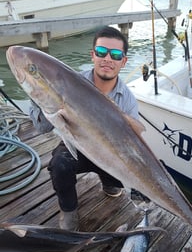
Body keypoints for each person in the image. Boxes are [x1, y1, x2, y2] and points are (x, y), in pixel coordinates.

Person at [30, 26, 139, 231]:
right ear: (93, 56)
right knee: (60, 164)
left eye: (115, 54)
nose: (107, 59)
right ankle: (69, 212)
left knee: (121, 177)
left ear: (123, 61)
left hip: (110, 153)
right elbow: (43, 129)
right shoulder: (67, 82)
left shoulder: (128, 101)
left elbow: (130, 145)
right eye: (101, 52)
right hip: (75, 145)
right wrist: (39, 95)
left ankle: (110, 183)